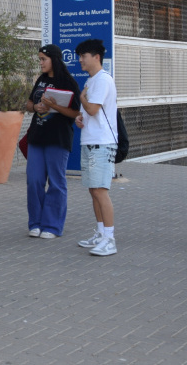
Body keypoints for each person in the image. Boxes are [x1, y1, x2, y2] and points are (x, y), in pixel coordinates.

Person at [23, 44, 80, 239]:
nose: (40, 63)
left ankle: (52, 226)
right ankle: (35, 223)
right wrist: (36, 107)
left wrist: (55, 106)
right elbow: (29, 103)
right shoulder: (41, 80)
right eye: (39, 59)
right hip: (37, 137)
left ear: (54, 60)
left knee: (56, 182)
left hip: (58, 138)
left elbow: (75, 112)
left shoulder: (68, 82)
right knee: (34, 180)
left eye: (43, 59)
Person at [73, 39, 119, 257]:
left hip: (102, 142)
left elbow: (92, 108)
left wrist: (82, 98)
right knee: (93, 190)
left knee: (101, 191)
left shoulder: (101, 80)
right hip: (90, 139)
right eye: (80, 56)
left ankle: (110, 239)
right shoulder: (92, 80)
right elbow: (90, 114)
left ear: (96, 57)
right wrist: (80, 119)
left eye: (83, 56)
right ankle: (101, 233)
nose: (80, 60)